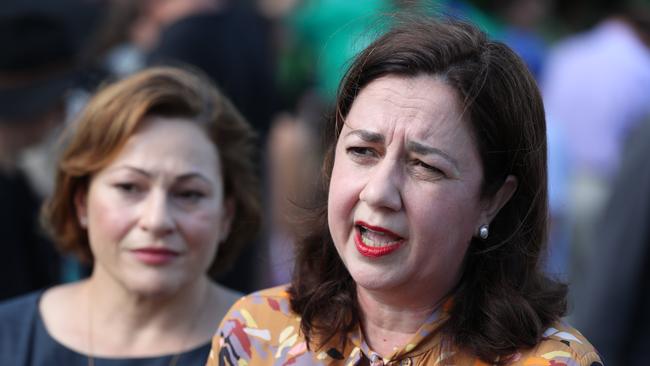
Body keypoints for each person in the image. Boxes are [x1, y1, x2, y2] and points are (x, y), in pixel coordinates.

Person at [207, 18, 602, 366]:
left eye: (425, 166)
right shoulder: (256, 332)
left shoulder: (554, 363)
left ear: (493, 200)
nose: (378, 192)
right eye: (363, 151)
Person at [0, 66, 261, 365]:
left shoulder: (274, 345)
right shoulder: (9, 338)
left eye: (189, 194)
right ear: (81, 201)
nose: (157, 220)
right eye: (129, 187)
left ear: (226, 215)